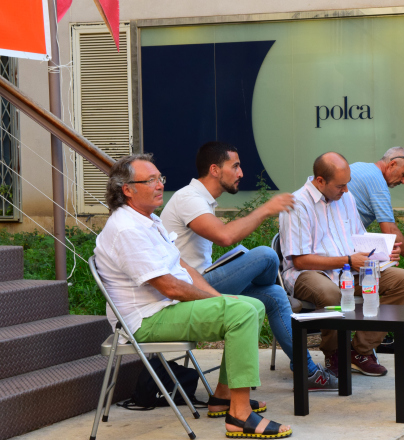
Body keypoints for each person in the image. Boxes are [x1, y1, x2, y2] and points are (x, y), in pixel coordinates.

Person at [94, 154, 292, 438]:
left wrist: (219, 297)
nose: (160, 185)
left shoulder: (149, 220)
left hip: (165, 307)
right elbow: (170, 287)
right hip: (145, 320)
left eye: (160, 178)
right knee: (241, 312)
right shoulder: (126, 228)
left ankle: (224, 395)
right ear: (127, 189)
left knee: (253, 305)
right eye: (150, 181)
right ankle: (239, 416)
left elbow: (183, 267)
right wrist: (219, 302)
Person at [160, 141, 337, 391]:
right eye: (235, 166)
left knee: (274, 294)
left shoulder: (201, 200)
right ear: (214, 170)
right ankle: (269, 289)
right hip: (188, 288)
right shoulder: (189, 198)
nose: (241, 173)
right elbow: (224, 236)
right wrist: (265, 210)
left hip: (201, 281)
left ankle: (307, 371)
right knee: (266, 255)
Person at [279, 152, 404, 377]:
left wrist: (383, 251)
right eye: (340, 186)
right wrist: (349, 260)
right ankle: (334, 353)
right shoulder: (298, 204)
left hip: (349, 269)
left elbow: (359, 238)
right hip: (310, 273)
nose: (345, 190)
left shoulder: (346, 197)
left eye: (347, 184)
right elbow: (301, 260)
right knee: (331, 293)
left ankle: (360, 350)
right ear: (320, 181)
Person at [347, 147, 404, 271]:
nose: (403, 181)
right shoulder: (379, 185)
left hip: (331, 240)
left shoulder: (359, 166)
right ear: (392, 164)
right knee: (402, 278)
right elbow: (390, 230)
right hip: (341, 250)